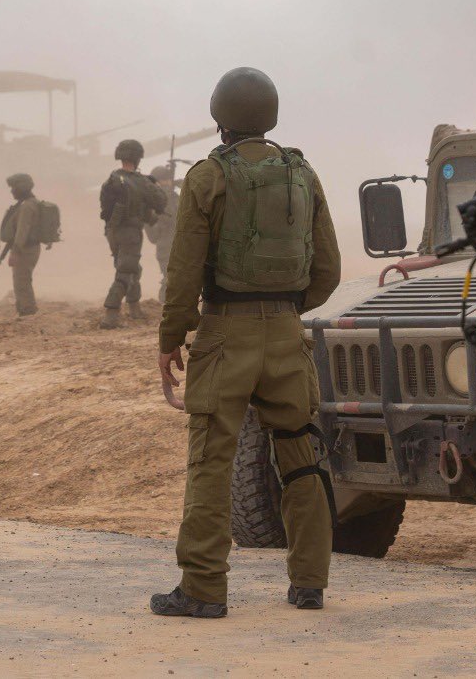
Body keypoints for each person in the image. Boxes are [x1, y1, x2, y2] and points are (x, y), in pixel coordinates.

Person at [152, 67, 341, 618]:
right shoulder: (303, 173)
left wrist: (171, 338)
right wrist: (285, 311)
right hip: (287, 332)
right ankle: (310, 582)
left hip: (224, 333)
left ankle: (204, 588)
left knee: (212, 459)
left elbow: (184, 270)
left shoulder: (208, 176)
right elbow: (327, 267)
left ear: (220, 120)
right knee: (301, 451)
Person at [98, 138, 166, 329]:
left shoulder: (110, 180)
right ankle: (110, 315)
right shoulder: (141, 182)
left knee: (133, 268)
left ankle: (135, 309)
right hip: (131, 233)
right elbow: (161, 202)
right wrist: (155, 184)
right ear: (138, 158)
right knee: (126, 271)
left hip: (112, 232)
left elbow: (105, 211)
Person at [0, 172, 43, 317]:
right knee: (22, 279)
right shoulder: (30, 203)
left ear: (22, 188)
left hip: (25, 249)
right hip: (28, 248)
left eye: (14, 188)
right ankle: (25, 309)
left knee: (21, 280)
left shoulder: (27, 206)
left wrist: (15, 253)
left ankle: (28, 311)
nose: (12, 191)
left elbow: (22, 232)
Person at [145, 163, 178, 303]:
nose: (168, 183)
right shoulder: (155, 199)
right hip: (166, 246)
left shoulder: (173, 196)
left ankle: (168, 304)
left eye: (168, 179)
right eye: (164, 180)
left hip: (177, 244)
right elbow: (170, 217)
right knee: (170, 277)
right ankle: (164, 304)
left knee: (175, 277)